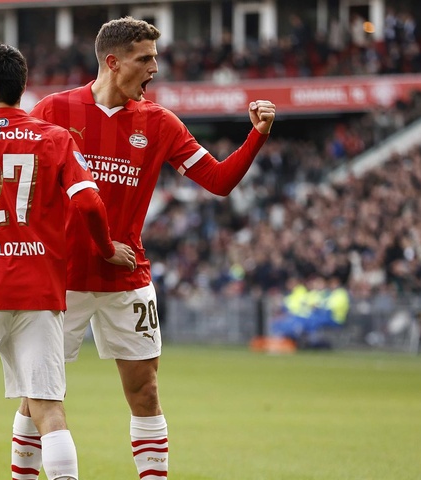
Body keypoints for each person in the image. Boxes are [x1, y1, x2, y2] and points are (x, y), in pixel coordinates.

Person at [14, 17, 277, 480]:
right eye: (146, 58)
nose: (156, 67)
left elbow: (217, 181)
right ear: (113, 63)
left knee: (145, 391)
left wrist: (256, 136)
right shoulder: (54, 112)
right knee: (38, 394)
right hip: (63, 279)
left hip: (126, 277)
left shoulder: (159, 123)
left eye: (156, 56)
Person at [0, 42, 136, 480]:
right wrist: (106, 247)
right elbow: (91, 205)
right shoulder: (55, 138)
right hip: (42, 292)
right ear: (23, 89)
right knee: (47, 408)